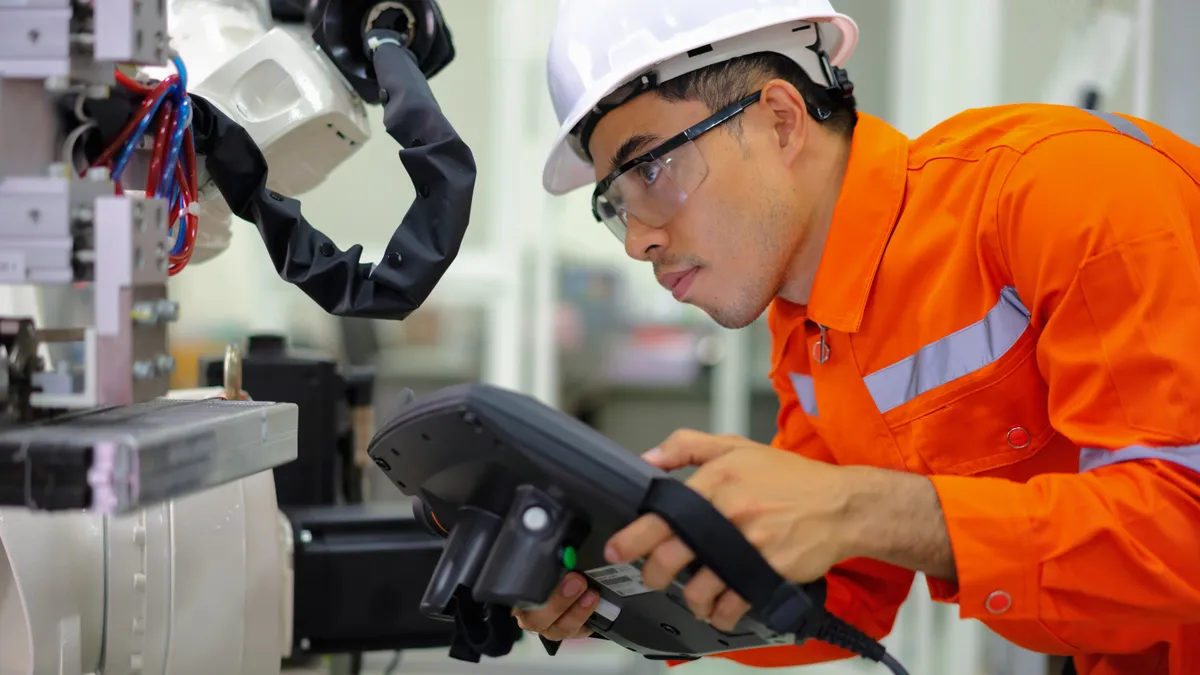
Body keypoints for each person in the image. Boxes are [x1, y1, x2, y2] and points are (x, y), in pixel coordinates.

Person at [518, 1, 1200, 674]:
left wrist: (864, 509)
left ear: (780, 120)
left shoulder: (1062, 188)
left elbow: (1182, 524)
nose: (639, 239)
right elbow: (840, 594)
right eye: (618, 202)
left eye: (652, 171)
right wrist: (620, 590)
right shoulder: (810, 327)